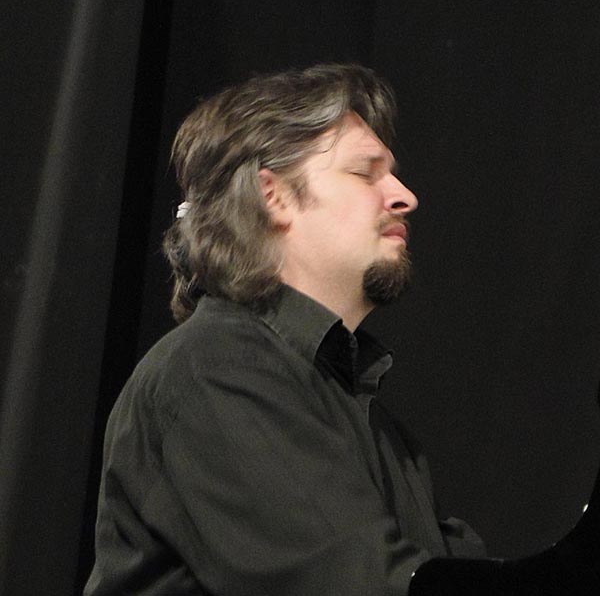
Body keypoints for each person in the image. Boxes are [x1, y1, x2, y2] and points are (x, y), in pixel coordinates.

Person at [85, 63, 485, 595]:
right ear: (272, 196)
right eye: (366, 173)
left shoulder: (368, 417)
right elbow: (357, 584)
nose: (404, 196)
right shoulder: (214, 369)